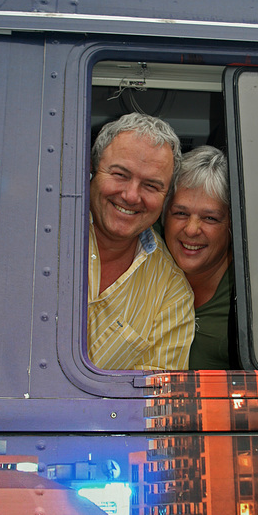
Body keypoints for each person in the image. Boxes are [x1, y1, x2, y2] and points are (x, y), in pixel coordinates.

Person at [87, 113, 194, 371]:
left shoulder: (172, 294)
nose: (131, 195)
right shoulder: (39, 235)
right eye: (120, 174)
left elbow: (148, 402)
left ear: (166, 198)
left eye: (151, 185)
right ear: (91, 170)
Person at [164, 145, 239, 370]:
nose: (191, 229)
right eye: (180, 213)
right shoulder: (142, 263)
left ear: (232, 226)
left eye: (210, 218)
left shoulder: (252, 291)